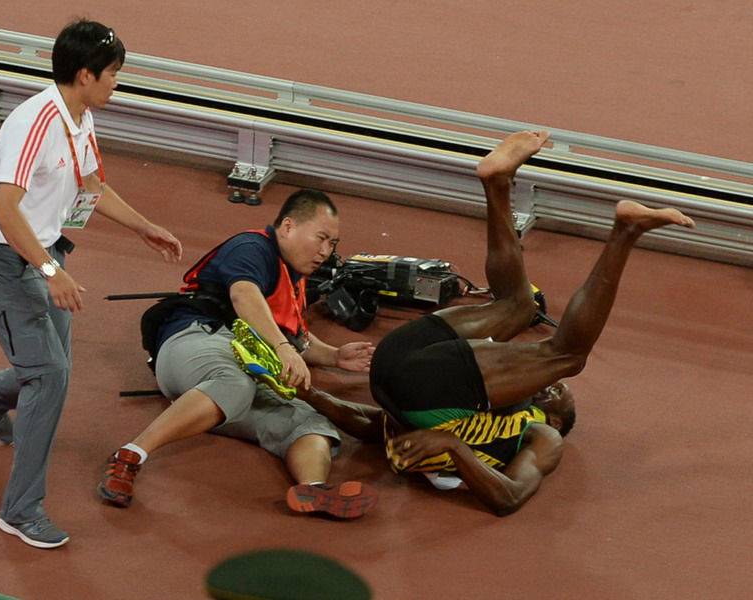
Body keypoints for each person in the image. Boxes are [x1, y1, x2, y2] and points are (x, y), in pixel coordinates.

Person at [297, 130, 695, 516]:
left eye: (559, 395)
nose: (553, 385)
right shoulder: (474, 409)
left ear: (556, 419)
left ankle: (592, 216)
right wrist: (451, 445)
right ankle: (504, 183)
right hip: (406, 376)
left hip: (396, 376)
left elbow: (507, 496)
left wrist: (309, 393)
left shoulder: (543, 434)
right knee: (522, 309)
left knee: (564, 353)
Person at [0, 19, 182, 549]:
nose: (116, 84)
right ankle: (20, 510)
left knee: (50, 370)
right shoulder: (33, 123)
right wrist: (52, 272)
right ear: (85, 74)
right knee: (50, 376)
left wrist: (144, 226)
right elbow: (6, 213)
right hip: (2, 263)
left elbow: (92, 186)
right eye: (113, 75)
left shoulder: (80, 117)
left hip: (44, 255)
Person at [98, 188, 379, 518]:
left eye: (332, 244)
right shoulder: (252, 248)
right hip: (195, 339)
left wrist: (334, 356)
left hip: (245, 367)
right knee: (234, 383)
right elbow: (245, 297)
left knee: (307, 421)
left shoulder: (294, 279)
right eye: (321, 238)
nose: (325, 251)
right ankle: (129, 456)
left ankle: (314, 489)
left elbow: (296, 336)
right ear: (288, 227)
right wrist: (283, 348)